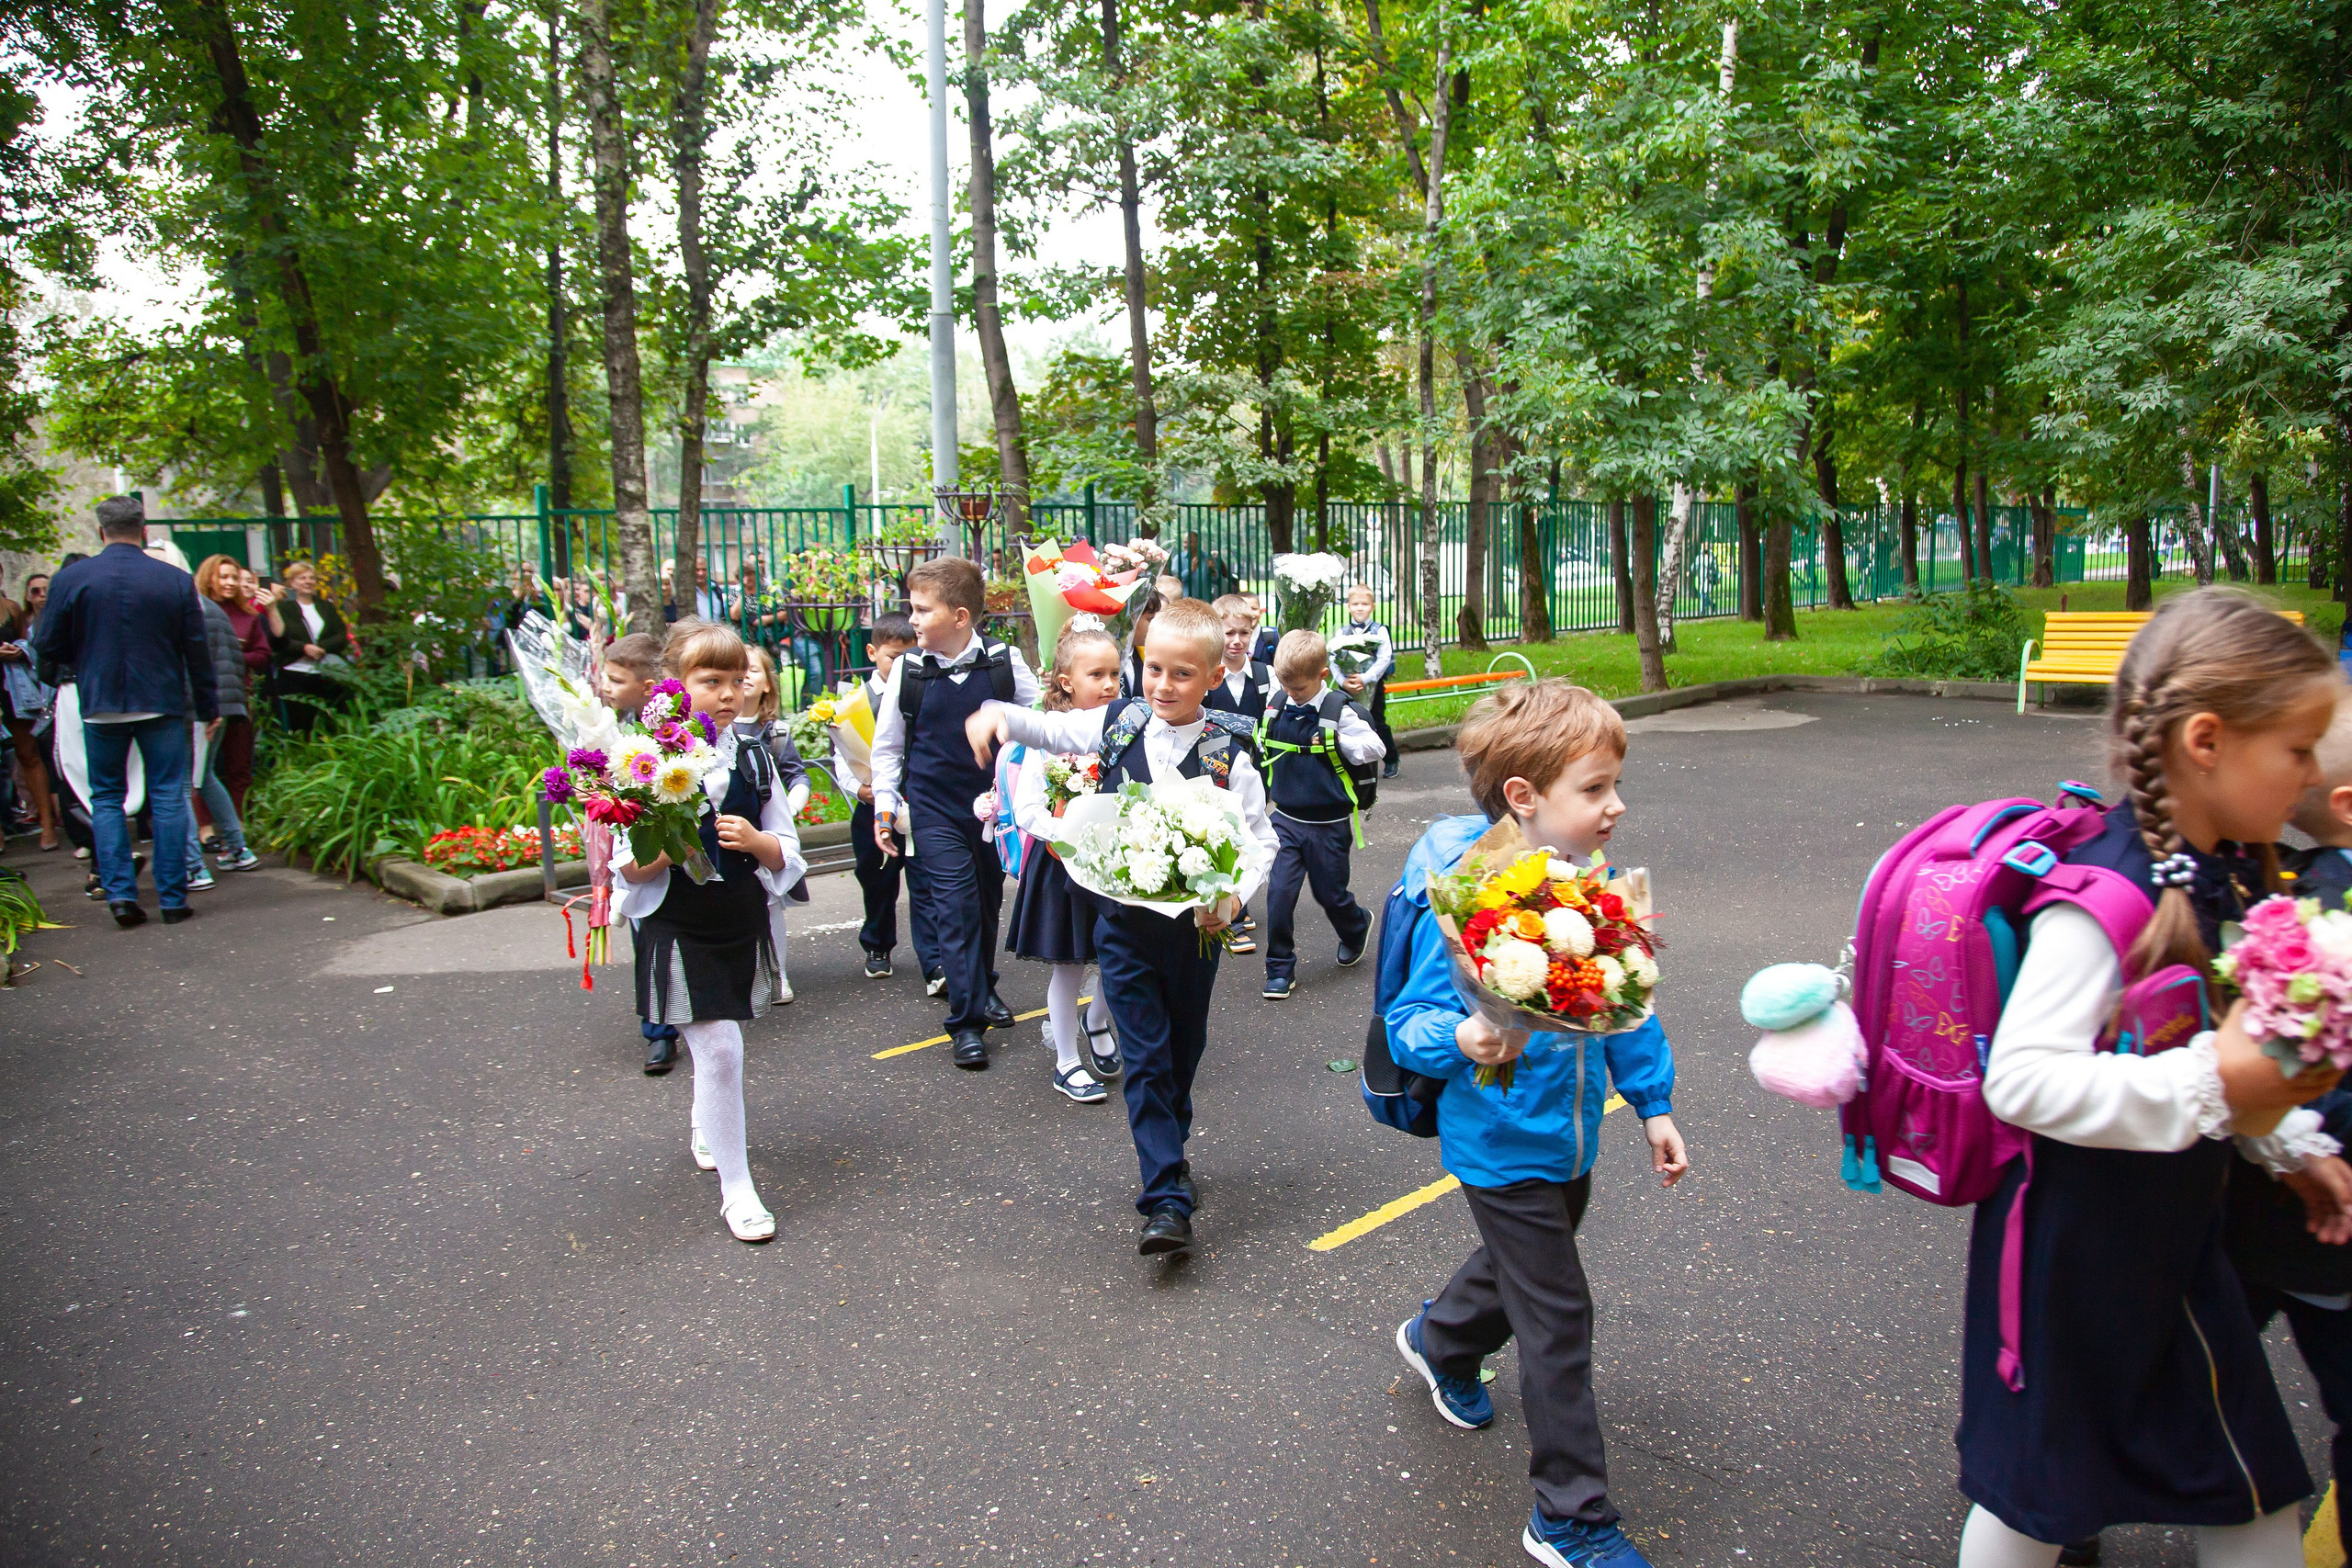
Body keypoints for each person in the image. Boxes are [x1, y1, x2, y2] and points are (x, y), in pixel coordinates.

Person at [1954, 588, 2345, 1568]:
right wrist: (2216, 1091)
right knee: (2036, 1499)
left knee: (2241, 1485)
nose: (2308, 775)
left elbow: (2207, 1036)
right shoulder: (2109, 893)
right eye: (2295, 750)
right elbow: (2025, 1083)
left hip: (2173, 1247)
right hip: (2071, 1264)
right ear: (2207, 740)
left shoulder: (2226, 874)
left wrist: (2284, 1142)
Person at [1384, 678, 1686, 1568]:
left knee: (1519, 1269)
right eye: (1594, 789)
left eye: (1613, 785)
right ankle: (1569, 1519)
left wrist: (1655, 1106)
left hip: (1571, 1136)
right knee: (1558, 1313)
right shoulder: (1470, 896)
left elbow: (1625, 1002)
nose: (1616, 805)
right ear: (1524, 797)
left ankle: (1439, 1339)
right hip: (1500, 1142)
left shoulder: (1587, 882)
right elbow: (1411, 1024)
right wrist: (1471, 1034)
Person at [967, 597, 1278, 1258]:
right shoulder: (1119, 721)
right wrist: (1001, 713)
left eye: (1181, 674)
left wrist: (1233, 897)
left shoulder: (1230, 750)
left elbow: (1261, 839)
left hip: (1196, 933)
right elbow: (1050, 732)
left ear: (1214, 677)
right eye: (1152, 668)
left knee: (1182, 1050)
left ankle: (1174, 1143)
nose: (1162, 685)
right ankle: (1163, 1197)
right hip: (1123, 929)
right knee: (1143, 1057)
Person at [611, 620, 804, 1244]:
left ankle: (706, 1119)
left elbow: (787, 850)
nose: (727, 692)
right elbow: (628, 864)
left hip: (737, 918)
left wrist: (759, 841)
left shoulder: (752, 755)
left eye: (737, 679)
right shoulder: (641, 762)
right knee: (721, 1049)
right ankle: (738, 1189)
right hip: (677, 923)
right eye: (710, 680)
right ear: (674, 685)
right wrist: (663, 847)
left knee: (717, 1049)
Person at [868, 557, 1040, 1068]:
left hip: (992, 813)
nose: (912, 619)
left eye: (923, 609)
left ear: (961, 616)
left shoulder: (1004, 663)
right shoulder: (908, 670)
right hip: (933, 811)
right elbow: (888, 750)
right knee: (956, 908)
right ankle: (966, 1023)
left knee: (987, 904)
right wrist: (885, 805)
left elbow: (1041, 726)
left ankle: (982, 986)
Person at [34, 495, 219, 928]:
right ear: (145, 529)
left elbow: (47, 644)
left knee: (106, 799)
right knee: (169, 796)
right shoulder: (173, 580)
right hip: (161, 700)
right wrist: (207, 707)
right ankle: (173, 898)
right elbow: (197, 651)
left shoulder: (72, 578)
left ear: (100, 531)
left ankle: (120, 896)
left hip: (99, 701)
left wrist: (84, 658)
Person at [1003, 626, 1124, 1104]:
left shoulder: (1125, 725)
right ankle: (1066, 1062)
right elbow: (1029, 812)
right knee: (1071, 966)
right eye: (1097, 674)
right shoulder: (1046, 738)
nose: (1111, 683)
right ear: (1067, 682)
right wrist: (1073, 831)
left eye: (1116, 672)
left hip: (1116, 861)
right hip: (1064, 865)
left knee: (1119, 957)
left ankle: (1097, 1022)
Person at [1255, 629, 1382, 1001]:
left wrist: (1339, 742)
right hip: (1286, 818)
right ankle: (1279, 967)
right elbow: (1262, 736)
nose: (1291, 692)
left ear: (1322, 674)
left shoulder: (1338, 711)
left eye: (1299, 686)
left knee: (1331, 894)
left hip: (1329, 824)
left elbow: (1374, 747)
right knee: (1278, 893)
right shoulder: (1279, 702)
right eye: (1284, 683)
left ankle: (1355, 925)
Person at [595, 632, 684, 1075]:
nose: (605, 687)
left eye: (615, 679)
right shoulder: (611, 727)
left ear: (649, 687)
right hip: (636, 846)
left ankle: (690, 1011)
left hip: (671, 843)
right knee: (647, 938)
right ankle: (659, 1030)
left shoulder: (666, 733)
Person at [837, 614, 936, 984]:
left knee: (925, 883)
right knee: (877, 880)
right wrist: (860, 788)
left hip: (918, 803)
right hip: (873, 807)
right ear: (872, 651)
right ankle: (878, 945)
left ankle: (935, 960)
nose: (903, 665)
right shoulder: (853, 703)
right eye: (894, 657)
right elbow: (842, 755)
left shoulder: (922, 688)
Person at [1204, 592, 1277, 954]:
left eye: (1243, 633)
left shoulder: (1265, 676)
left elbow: (1277, 718)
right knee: (1223, 836)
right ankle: (1232, 915)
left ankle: (1237, 905)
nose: (1236, 641)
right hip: (1214, 773)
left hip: (1253, 773)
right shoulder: (1209, 678)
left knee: (1249, 836)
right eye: (1228, 633)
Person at [740, 647, 812, 1006]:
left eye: (753, 670)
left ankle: (777, 972)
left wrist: (791, 809)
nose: (745, 677)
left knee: (771, 904)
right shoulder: (707, 728)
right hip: (732, 829)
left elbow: (796, 776)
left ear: (769, 683)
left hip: (764, 830)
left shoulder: (775, 732)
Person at [186, 560, 260, 884]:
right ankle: (237, 846)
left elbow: (200, 664)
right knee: (204, 776)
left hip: (203, 708)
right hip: (223, 705)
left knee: (186, 783)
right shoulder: (213, 611)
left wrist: (205, 709)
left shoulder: (195, 612)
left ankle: (192, 865)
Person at [194, 555, 267, 828]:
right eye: (224, 577)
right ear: (208, 578)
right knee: (203, 768)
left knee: (240, 765)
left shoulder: (249, 616)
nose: (231, 583)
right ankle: (205, 827)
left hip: (239, 697)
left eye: (235, 577)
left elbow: (262, 655)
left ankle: (239, 824)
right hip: (204, 699)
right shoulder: (195, 611)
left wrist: (234, 655)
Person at [0, 573, 59, 849]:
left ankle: (48, 826)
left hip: (11, 688)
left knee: (28, 753)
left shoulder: (10, 607)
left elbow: (29, 645)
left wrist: (17, 651)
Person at [268, 559, 354, 734]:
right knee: (301, 725)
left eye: (311, 578)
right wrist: (304, 648)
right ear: (292, 583)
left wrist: (321, 648)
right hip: (294, 673)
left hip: (325, 674)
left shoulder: (326, 607)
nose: (308, 582)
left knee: (331, 724)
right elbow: (279, 639)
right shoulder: (284, 608)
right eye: (302, 578)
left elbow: (341, 635)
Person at [1333, 584, 1399, 778]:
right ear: (1348, 607)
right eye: (1355, 604)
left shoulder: (1379, 631)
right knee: (1347, 721)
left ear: (1373, 606)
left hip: (1372, 686)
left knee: (1377, 721)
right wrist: (1343, 681)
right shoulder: (1342, 633)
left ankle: (1391, 758)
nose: (1360, 608)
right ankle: (1350, 762)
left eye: (1364, 604)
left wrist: (1365, 678)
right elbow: (1333, 660)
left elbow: (1384, 658)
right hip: (1347, 686)